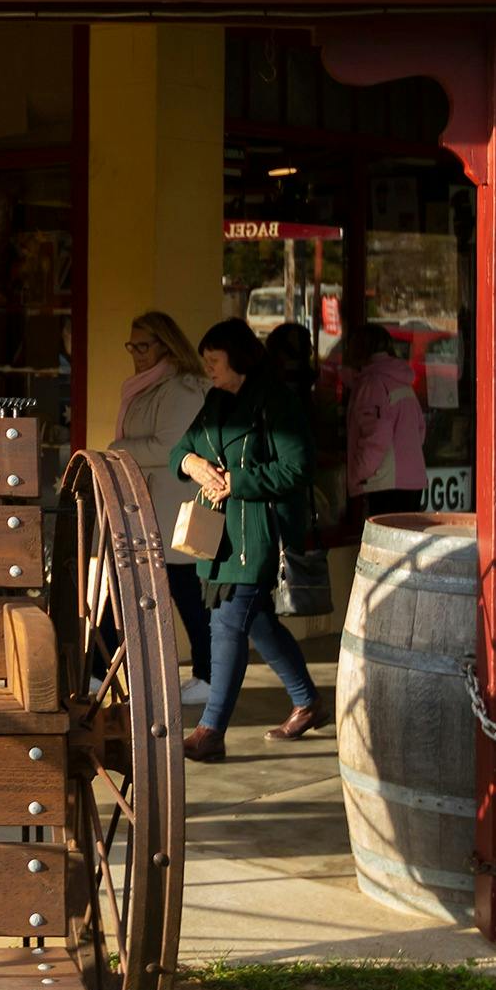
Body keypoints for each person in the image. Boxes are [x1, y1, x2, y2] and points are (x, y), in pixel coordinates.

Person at [173, 317, 321, 761]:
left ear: (239, 360)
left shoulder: (276, 402)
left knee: (228, 620)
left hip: (258, 530)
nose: (209, 371)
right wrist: (192, 464)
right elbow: (180, 449)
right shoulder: (215, 400)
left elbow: (297, 468)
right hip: (218, 530)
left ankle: (210, 730)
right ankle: (308, 701)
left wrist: (238, 481)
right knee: (257, 622)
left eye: (214, 362)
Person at [110, 310, 216, 706]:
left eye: (144, 345)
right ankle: (101, 668)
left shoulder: (181, 389)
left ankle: (208, 675)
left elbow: (167, 447)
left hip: (174, 506)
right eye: (131, 345)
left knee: (188, 592)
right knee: (137, 586)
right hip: (151, 504)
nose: (135, 353)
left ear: (165, 345)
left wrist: (118, 451)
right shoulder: (146, 386)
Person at [340, 322, 425, 521]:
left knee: (385, 546)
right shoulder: (400, 380)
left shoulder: (372, 383)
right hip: (412, 479)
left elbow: (376, 435)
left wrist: (359, 472)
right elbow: (420, 430)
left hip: (384, 483)